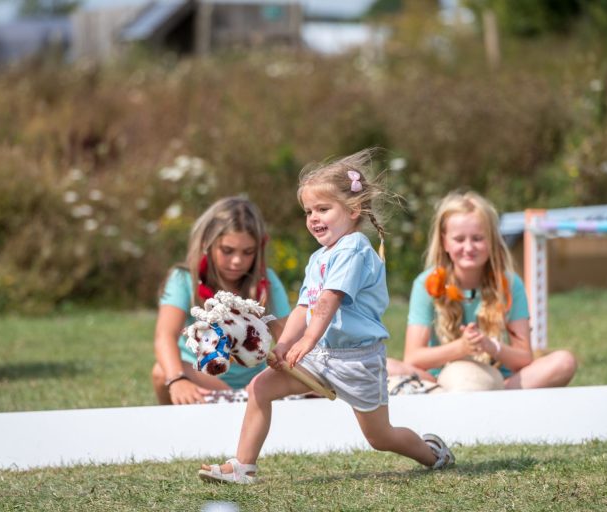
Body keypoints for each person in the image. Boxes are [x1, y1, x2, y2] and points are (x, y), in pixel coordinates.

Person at [198, 149, 455, 485]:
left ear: (353, 210)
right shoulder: (319, 257)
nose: (313, 218)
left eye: (323, 209)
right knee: (260, 386)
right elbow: (304, 307)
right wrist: (284, 345)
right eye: (308, 211)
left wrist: (305, 340)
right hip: (320, 356)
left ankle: (433, 454)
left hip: (358, 361)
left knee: (380, 437)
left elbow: (329, 299)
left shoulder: (354, 247)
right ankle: (243, 467)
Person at [387, 190, 577, 391]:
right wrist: (461, 348)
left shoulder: (511, 284)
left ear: (492, 240)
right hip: (439, 380)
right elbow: (413, 358)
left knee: (564, 362)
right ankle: (443, 394)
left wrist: (490, 346)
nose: (469, 248)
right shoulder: (426, 283)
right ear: (444, 242)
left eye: (478, 238)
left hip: (500, 381)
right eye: (459, 239)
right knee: (385, 366)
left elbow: (523, 359)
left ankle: (492, 395)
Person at [151, 197, 291, 405]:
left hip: (256, 383)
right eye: (227, 250)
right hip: (202, 378)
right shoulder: (184, 279)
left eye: (248, 252)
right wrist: (177, 379)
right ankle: (224, 405)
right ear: (206, 243)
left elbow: (288, 340)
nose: (237, 261)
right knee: (161, 372)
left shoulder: (267, 281)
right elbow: (165, 336)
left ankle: (240, 401)